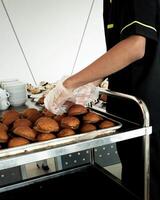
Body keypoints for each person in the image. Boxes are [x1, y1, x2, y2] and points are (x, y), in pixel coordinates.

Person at [44, 0, 160, 199]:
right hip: (127, 111)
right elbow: (119, 50)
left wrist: (70, 83)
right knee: (133, 182)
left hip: (151, 112)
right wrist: (92, 82)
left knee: (150, 186)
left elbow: (135, 47)